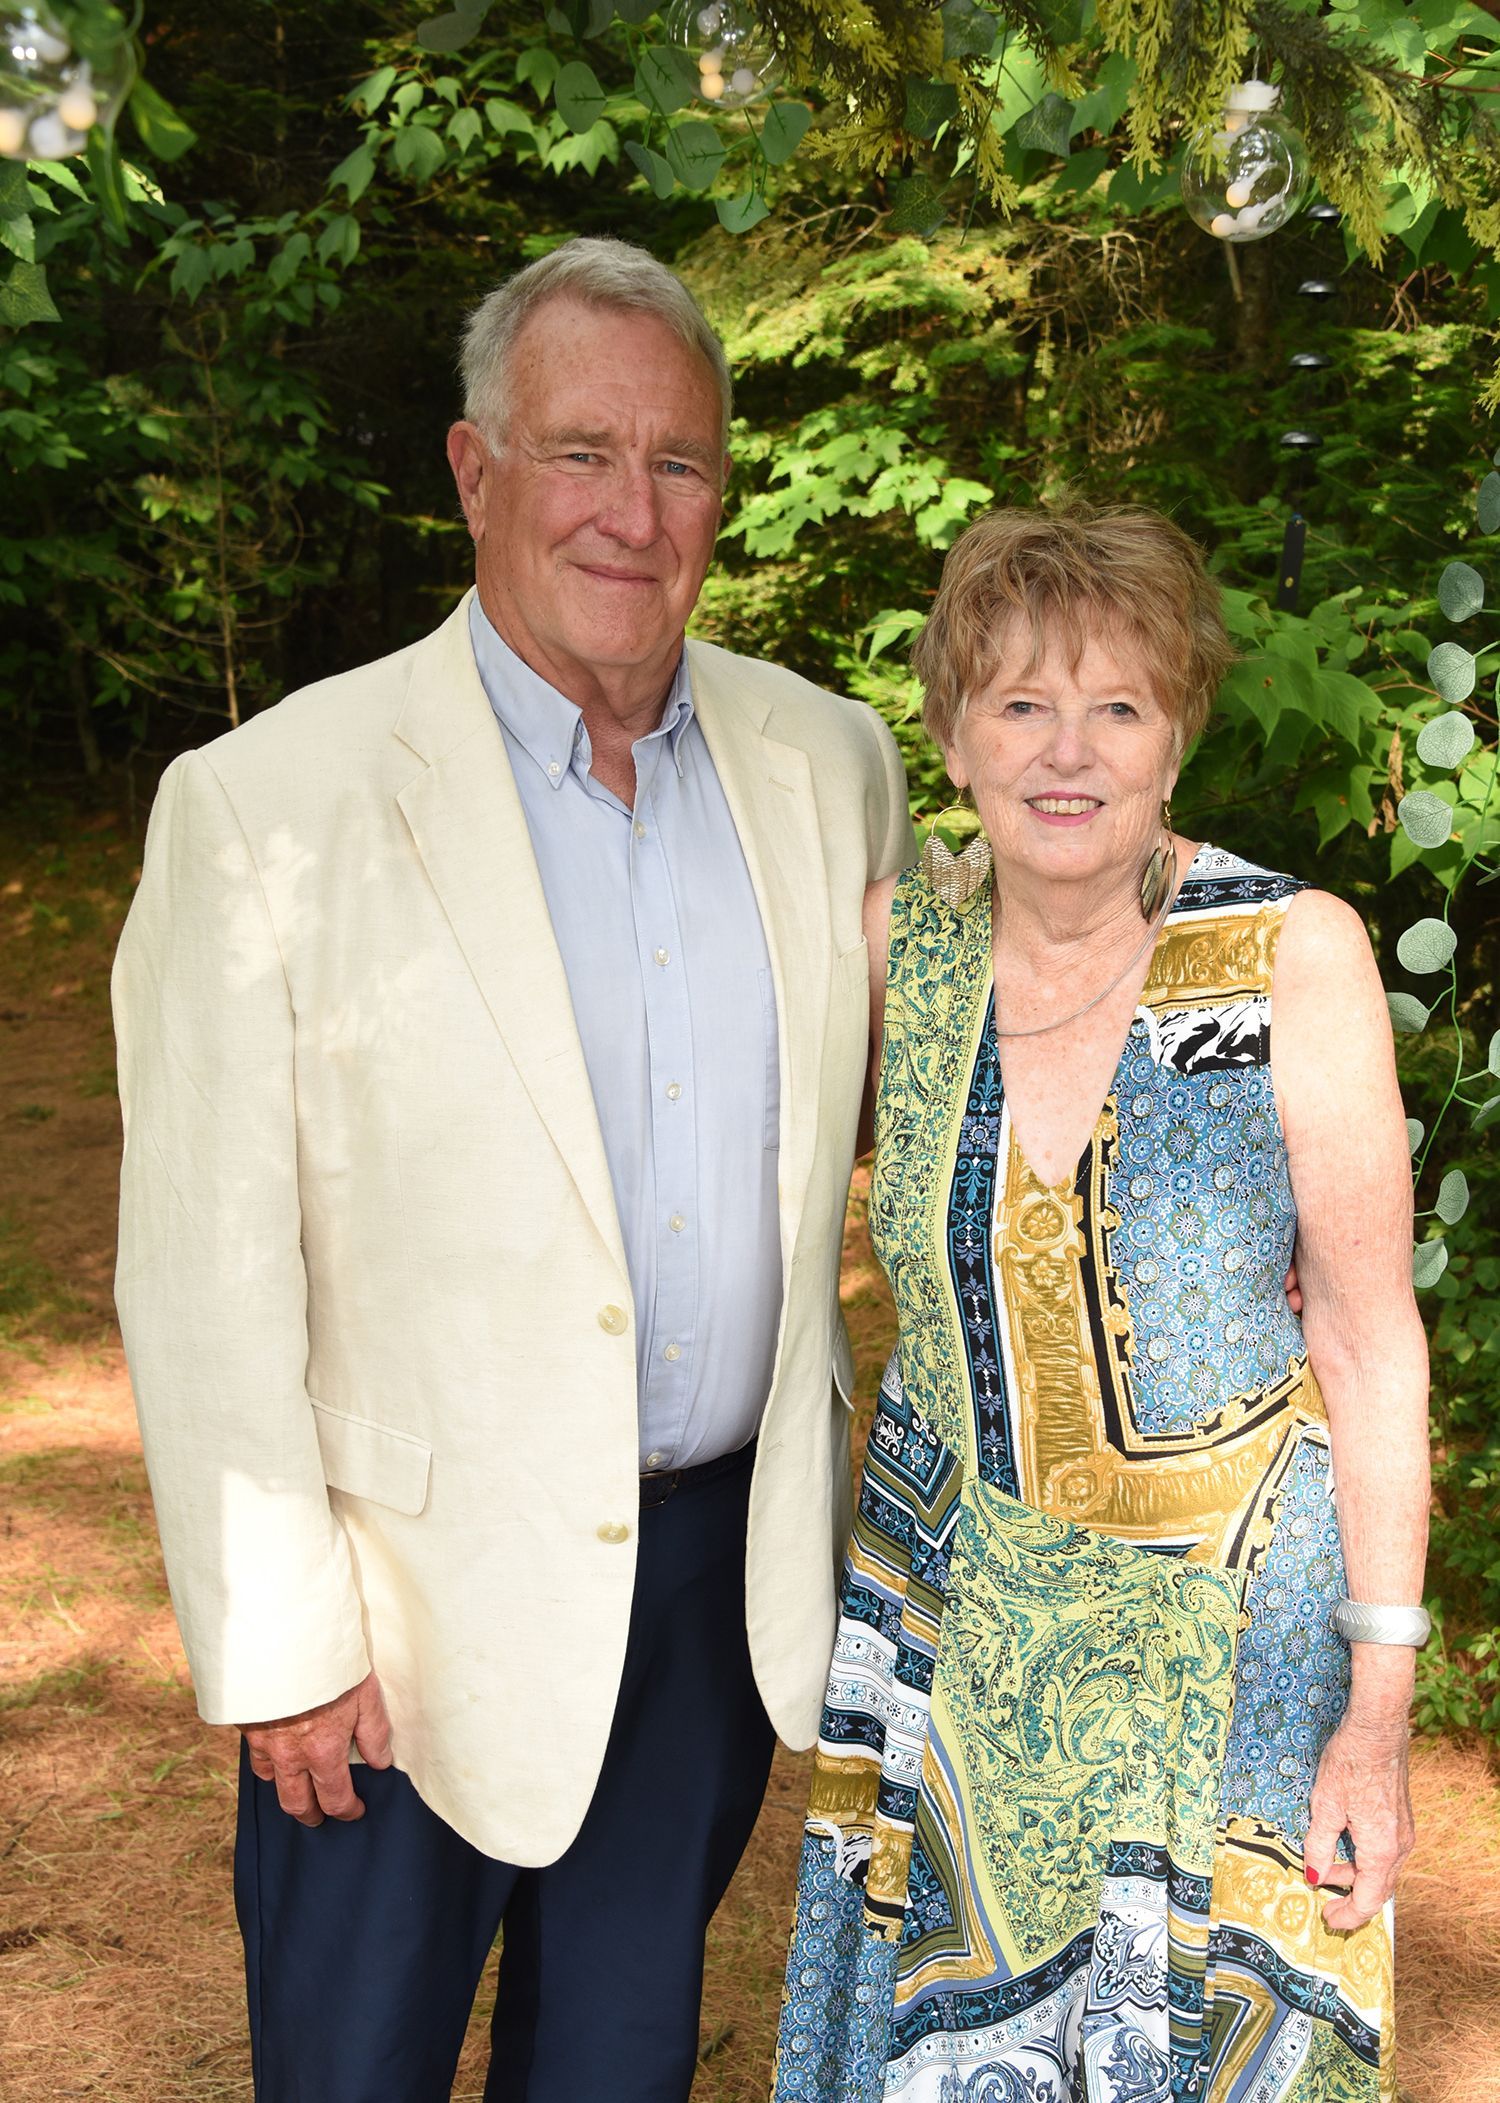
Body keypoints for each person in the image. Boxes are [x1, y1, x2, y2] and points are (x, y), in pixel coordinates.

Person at [112, 235, 914, 2102]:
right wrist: (281, 1639)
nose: (633, 513)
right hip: (397, 1626)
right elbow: (204, 1271)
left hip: (711, 1593)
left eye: (682, 463)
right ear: (477, 474)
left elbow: (935, 1099)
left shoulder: (833, 759)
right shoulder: (264, 806)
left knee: (618, 2071)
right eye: (581, 453)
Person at [773, 503, 1429, 2103]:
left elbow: (1367, 1340)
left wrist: (1384, 1703)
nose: (1068, 752)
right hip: (957, 1659)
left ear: (1177, 732)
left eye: (1117, 706)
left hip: (1237, 1664)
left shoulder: (1294, 956)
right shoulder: (891, 955)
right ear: (954, 732)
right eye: (1020, 703)